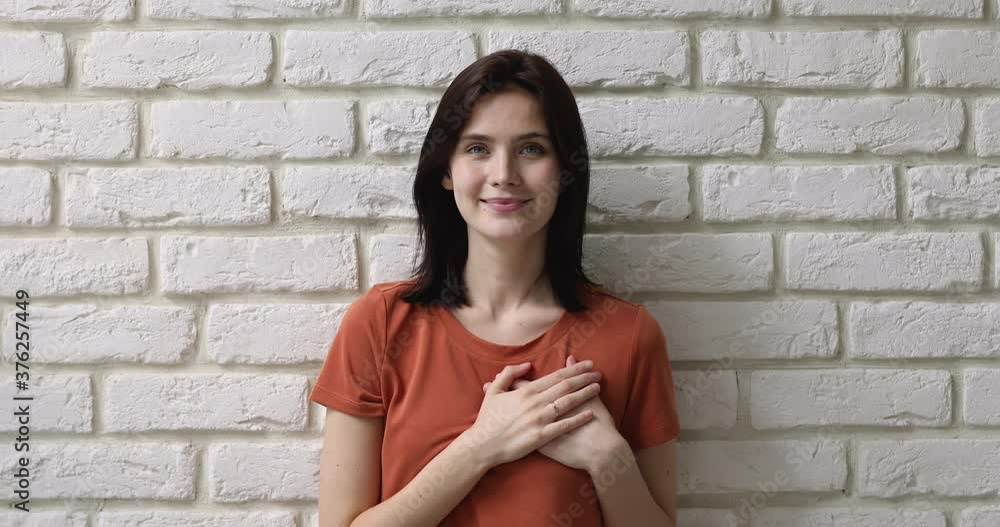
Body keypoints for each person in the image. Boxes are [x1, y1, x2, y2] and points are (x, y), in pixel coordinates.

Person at [309, 49, 681, 527]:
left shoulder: (629, 336)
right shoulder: (381, 324)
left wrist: (611, 460)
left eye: (531, 148)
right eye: (477, 148)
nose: (504, 174)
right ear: (446, 171)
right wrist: (483, 445)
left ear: (565, 173)